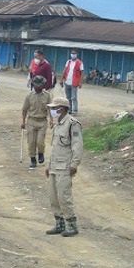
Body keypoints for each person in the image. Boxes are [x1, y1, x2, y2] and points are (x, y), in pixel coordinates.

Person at [44, 96, 83, 237]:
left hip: (65, 166)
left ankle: (71, 225)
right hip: (55, 166)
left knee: (64, 196)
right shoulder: (57, 124)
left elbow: (77, 145)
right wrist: (49, 165)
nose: (53, 111)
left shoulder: (72, 124)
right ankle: (59, 223)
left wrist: (74, 164)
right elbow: (55, 148)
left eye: (55, 108)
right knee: (53, 197)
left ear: (62, 109)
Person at [21, 75, 52, 169]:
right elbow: (24, 110)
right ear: (33, 85)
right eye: (36, 85)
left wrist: (52, 120)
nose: (38, 87)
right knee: (31, 142)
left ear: (43, 85)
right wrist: (23, 121)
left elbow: (50, 109)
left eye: (40, 85)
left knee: (40, 141)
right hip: (31, 121)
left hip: (42, 121)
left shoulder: (47, 95)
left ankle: (41, 153)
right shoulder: (29, 96)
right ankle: (33, 159)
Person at [60, 49, 84, 115]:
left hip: (74, 82)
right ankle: (69, 110)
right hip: (67, 81)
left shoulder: (80, 63)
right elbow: (64, 70)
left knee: (74, 97)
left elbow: (82, 73)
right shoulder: (68, 62)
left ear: (76, 55)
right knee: (68, 97)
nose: (73, 55)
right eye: (72, 53)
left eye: (74, 54)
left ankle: (75, 110)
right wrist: (61, 79)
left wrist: (80, 82)